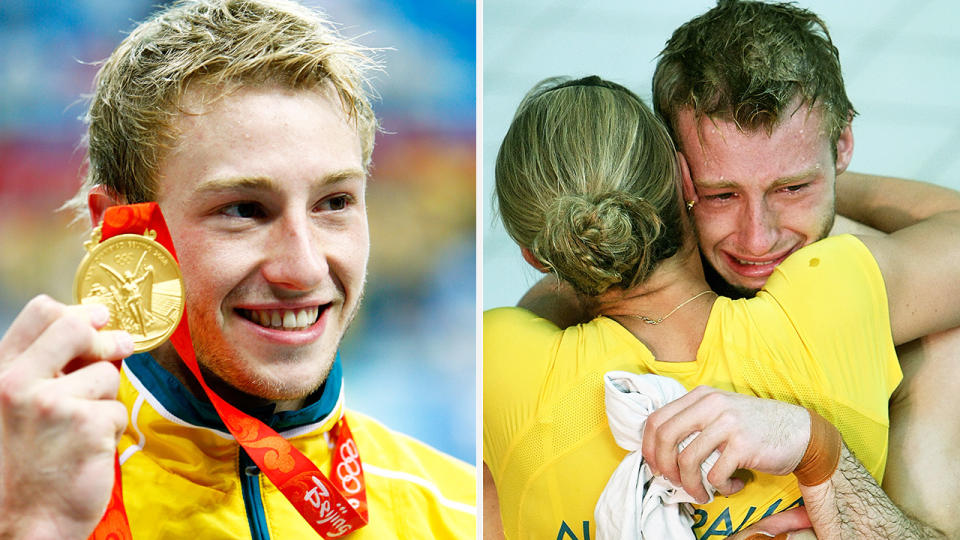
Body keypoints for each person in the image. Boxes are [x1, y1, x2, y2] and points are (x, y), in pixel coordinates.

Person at [0, 1, 475, 538]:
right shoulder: (23, 500)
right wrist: (32, 526)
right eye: (243, 210)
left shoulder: (461, 512)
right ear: (125, 230)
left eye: (334, 202)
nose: (303, 267)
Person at [505, 1, 960, 537]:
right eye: (721, 194)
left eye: (792, 188)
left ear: (842, 147)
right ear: (679, 176)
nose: (757, 238)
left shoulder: (919, 325)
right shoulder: (567, 310)